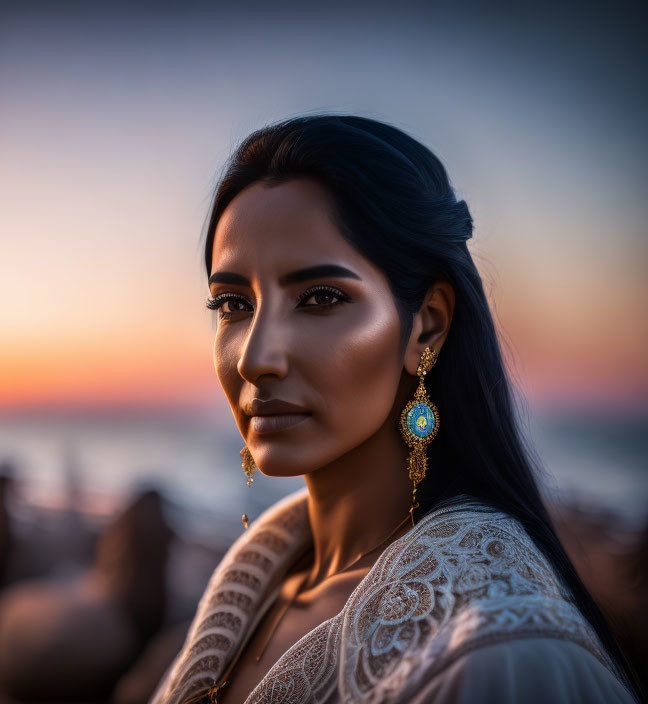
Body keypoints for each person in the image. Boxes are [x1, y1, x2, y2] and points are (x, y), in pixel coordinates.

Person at [149, 114, 643, 703]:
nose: (256, 357)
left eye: (320, 298)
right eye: (233, 304)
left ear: (426, 327)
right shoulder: (256, 574)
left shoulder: (501, 650)